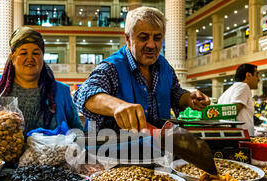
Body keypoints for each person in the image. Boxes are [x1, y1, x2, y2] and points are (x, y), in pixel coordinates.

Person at [73, 7, 210, 133]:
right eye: (143, 37)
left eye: (157, 38)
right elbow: (83, 93)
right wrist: (117, 106)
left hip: (159, 149)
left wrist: (188, 98)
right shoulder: (112, 67)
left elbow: (175, 93)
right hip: (112, 153)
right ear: (128, 38)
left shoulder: (164, 66)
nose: (151, 45)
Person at [0, 27, 82, 133]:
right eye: (23, 53)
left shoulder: (61, 92)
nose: (30, 58)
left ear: (43, 57)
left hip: (50, 153)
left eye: (36, 53)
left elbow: (77, 131)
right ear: (12, 58)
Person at [217, 64, 260, 136]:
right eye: (256, 75)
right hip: (240, 136)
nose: (258, 79)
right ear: (248, 75)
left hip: (230, 135)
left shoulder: (229, 90)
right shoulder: (243, 86)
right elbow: (233, 110)